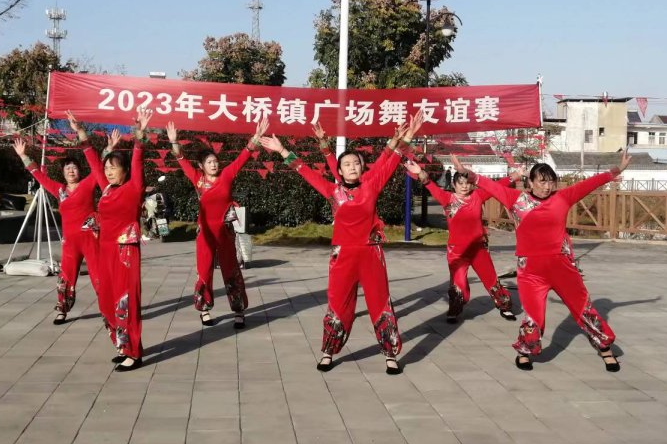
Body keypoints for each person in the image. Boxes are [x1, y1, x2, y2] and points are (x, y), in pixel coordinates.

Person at [260, 112, 425, 375]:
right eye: (346, 164)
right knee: (338, 303)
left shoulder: (372, 185)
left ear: (362, 167)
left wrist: (409, 136)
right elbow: (303, 170)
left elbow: (393, 159)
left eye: (356, 163)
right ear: (339, 170)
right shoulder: (332, 190)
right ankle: (328, 350)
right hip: (343, 255)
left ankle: (390, 354)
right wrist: (282, 150)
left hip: (371, 253)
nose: (352, 166)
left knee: (380, 302)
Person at [462, 151, 632, 372]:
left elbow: (589, 184)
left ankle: (605, 349)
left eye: (551, 181)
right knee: (533, 315)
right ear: (530, 182)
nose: (547, 186)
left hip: (562, 267)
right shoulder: (517, 200)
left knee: (583, 308)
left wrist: (616, 170)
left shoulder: (562, 198)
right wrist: (469, 175)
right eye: (542, 182)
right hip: (530, 271)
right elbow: (490, 186)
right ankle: (525, 351)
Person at [67, 108, 153, 371]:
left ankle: (133, 353)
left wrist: (139, 135)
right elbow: (93, 162)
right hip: (104, 251)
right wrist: (81, 131)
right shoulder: (105, 188)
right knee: (106, 300)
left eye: (114, 168)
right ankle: (122, 344)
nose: (109, 171)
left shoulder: (133, 188)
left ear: (125, 171)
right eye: (107, 168)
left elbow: (138, 159)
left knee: (126, 300)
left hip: (125, 252)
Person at [166, 117, 269, 329]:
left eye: (215, 161)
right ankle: (204, 309)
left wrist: (256, 137)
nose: (214, 164)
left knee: (231, 270)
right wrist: (174, 142)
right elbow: (181, 159)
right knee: (204, 271)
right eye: (209, 162)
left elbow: (243, 157)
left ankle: (239, 310)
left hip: (225, 233)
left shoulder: (226, 176)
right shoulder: (197, 179)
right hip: (205, 234)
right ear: (201, 166)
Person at [404, 154, 519, 323]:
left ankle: (504, 306)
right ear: (454, 185)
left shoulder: (478, 196)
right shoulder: (447, 199)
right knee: (458, 286)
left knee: (491, 280)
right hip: (457, 251)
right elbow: (429, 184)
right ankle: (455, 309)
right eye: (460, 183)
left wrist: (515, 176)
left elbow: (496, 187)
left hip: (478, 248)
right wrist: (419, 172)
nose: (464, 186)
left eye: (467, 183)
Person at [13, 138, 101, 324]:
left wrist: (109, 148)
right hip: (70, 242)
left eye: (74, 168)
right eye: (67, 168)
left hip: (91, 239)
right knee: (66, 276)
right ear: (63, 172)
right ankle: (62, 309)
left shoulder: (87, 184)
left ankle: (108, 308)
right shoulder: (59, 190)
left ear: (80, 171)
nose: (71, 171)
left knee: (99, 275)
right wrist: (23, 156)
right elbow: (39, 176)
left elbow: (98, 169)